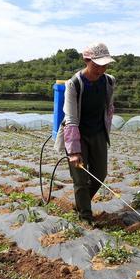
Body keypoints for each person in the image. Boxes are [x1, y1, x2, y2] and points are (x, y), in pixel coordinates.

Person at [54, 42, 116, 224]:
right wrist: (73, 151)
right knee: (80, 179)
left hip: (97, 133)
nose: (101, 69)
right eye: (97, 65)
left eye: (104, 65)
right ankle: (85, 217)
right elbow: (71, 118)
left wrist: (106, 132)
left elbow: (109, 108)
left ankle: (81, 204)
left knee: (100, 174)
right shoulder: (74, 84)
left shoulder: (109, 81)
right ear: (86, 60)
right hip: (76, 134)